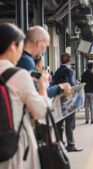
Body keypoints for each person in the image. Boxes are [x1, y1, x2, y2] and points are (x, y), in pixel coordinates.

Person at [0, 23, 50, 169]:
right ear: (12, 46)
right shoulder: (18, 75)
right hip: (15, 149)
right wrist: (42, 87)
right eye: (20, 47)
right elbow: (40, 111)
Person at [16, 25, 71, 98]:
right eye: (46, 46)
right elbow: (37, 95)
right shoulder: (26, 61)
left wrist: (40, 76)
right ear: (38, 43)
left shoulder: (22, 58)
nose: (44, 50)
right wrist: (60, 87)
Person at [51, 53, 82, 152]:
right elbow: (72, 86)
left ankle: (60, 144)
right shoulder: (70, 71)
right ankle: (71, 145)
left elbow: (53, 84)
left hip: (58, 100)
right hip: (68, 100)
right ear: (69, 61)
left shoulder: (56, 72)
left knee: (59, 123)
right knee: (69, 123)